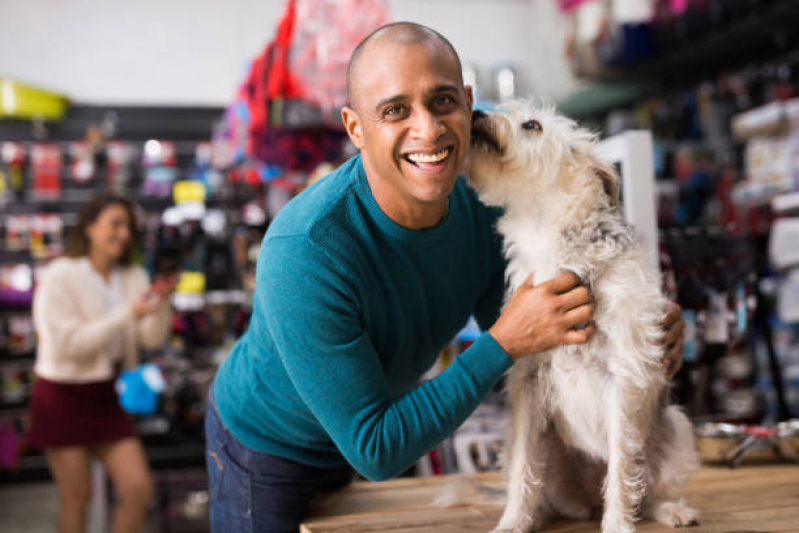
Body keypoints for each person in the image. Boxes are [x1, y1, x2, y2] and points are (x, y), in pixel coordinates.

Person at [206, 21, 686, 532]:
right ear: (355, 128)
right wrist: (502, 342)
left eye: (442, 102)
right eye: (395, 111)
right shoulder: (306, 251)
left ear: (468, 103)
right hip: (266, 446)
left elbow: (542, 329)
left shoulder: (484, 203)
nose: (428, 129)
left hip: (351, 438)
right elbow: (377, 448)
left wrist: (634, 328)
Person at [27, 194, 177, 533]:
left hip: (105, 394)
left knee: (138, 490)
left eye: (128, 226)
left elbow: (150, 339)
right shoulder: (60, 275)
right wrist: (128, 313)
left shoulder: (133, 275)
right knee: (76, 498)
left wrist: (162, 303)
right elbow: (66, 346)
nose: (123, 233)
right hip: (62, 396)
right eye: (115, 224)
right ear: (90, 227)